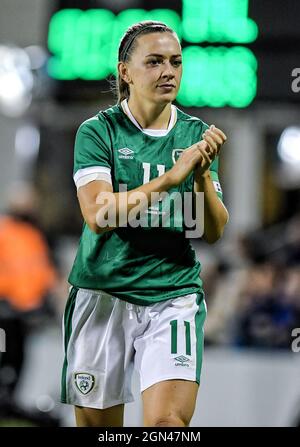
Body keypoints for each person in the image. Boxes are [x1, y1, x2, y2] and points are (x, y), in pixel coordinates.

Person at [61, 20, 228, 427]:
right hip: (102, 293)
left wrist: (202, 177)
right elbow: (99, 214)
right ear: (125, 72)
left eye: (175, 62)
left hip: (172, 295)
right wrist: (172, 177)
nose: (168, 71)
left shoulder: (195, 135)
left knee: (166, 427)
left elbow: (212, 230)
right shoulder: (98, 132)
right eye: (153, 61)